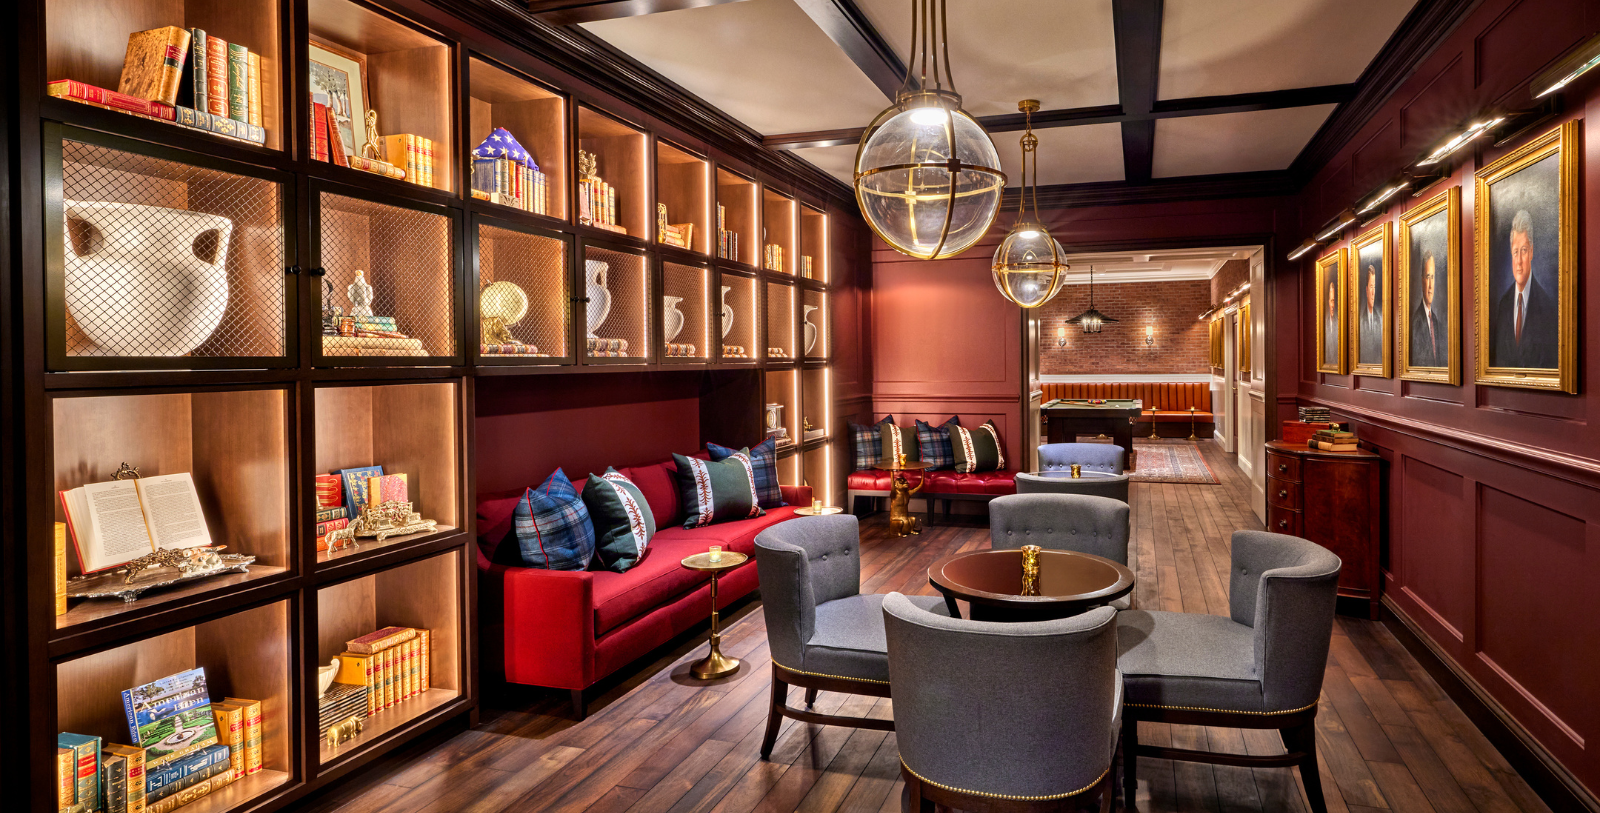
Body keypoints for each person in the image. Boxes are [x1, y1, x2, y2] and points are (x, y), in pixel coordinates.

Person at [1491, 209, 1558, 369]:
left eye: (1524, 251)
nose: (1519, 261)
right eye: (1515, 252)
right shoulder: (1503, 305)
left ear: (1532, 252)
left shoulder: (1548, 308)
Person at [1409, 253, 1444, 368]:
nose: (1430, 286)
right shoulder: (1415, 322)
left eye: (1432, 277)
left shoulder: (1436, 322)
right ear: (1422, 280)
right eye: (1428, 277)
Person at [1358, 264, 1382, 366]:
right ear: (1367, 290)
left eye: (1374, 287)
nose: (1373, 293)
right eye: (1371, 287)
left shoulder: (1380, 319)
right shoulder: (1359, 320)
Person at [1322, 278, 1340, 367]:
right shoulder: (1324, 324)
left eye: (1334, 301)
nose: (1333, 305)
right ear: (1328, 301)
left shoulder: (1339, 323)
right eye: (1331, 301)